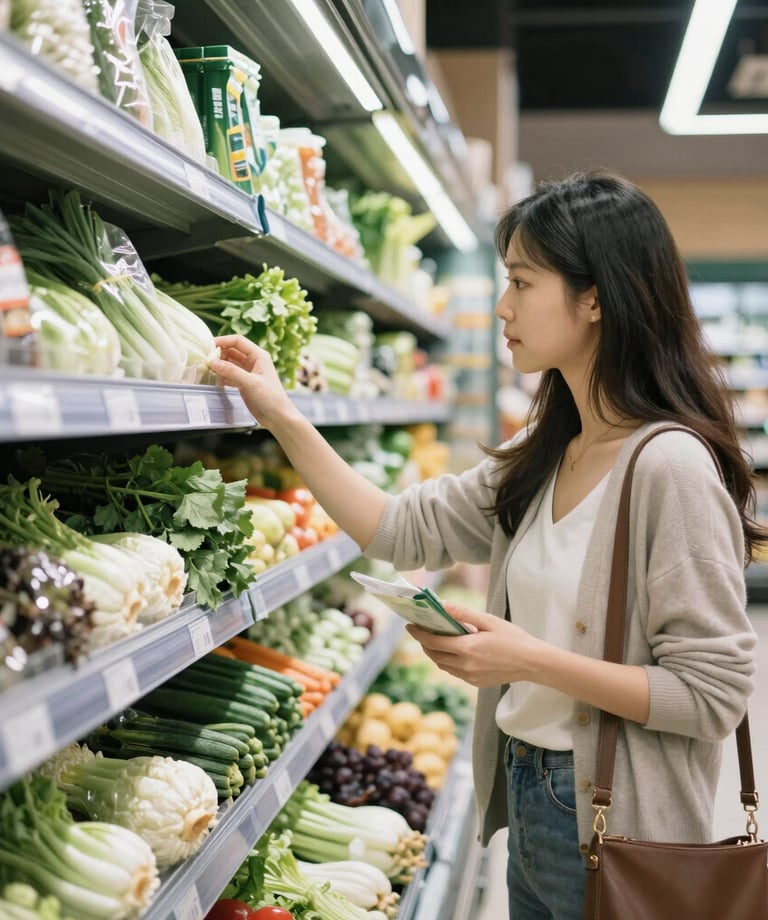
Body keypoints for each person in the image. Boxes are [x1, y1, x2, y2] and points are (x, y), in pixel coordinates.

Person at [210, 171, 761, 920]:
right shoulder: (548, 447)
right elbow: (398, 528)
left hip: (619, 820)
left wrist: (527, 659)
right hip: (532, 801)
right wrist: (281, 414)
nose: (503, 308)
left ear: (594, 297)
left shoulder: (670, 468)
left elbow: (711, 695)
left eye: (522, 283)